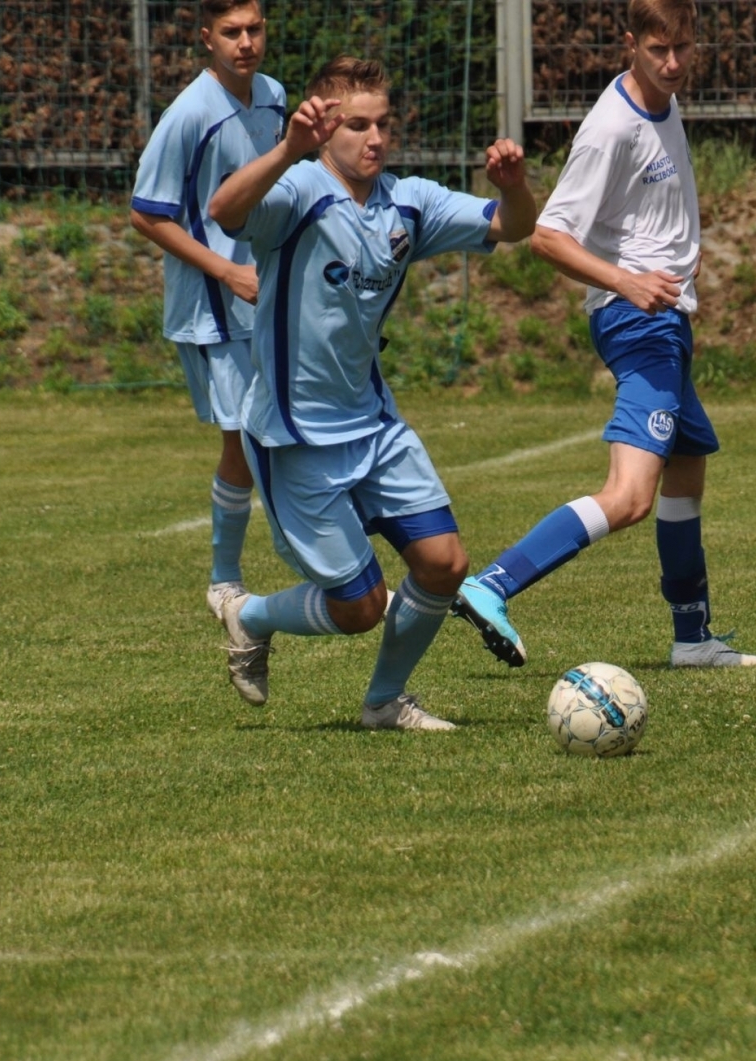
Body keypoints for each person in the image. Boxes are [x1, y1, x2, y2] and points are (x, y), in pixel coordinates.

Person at [205, 57, 537, 730]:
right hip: (294, 439)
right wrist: (286, 149)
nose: (374, 138)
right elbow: (223, 209)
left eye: (383, 123)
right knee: (358, 607)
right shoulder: (296, 191)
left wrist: (515, 186)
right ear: (324, 128)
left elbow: (513, 225)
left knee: (445, 564)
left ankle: (384, 701)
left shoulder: (406, 201)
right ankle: (250, 615)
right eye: (356, 125)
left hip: (374, 426)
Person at [451, 0, 756, 671]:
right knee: (629, 497)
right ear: (630, 44)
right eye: (658, 50)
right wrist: (627, 283)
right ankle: (491, 584)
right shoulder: (610, 128)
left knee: (685, 474)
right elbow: (546, 238)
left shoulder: (663, 101)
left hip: (665, 321)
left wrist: (680, 262)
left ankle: (691, 638)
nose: (673, 63)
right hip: (638, 323)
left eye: (683, 47)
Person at [130, 0, 283, 655]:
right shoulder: (190, 113)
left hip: (269, 296)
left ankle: (231, 579)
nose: (244, 43)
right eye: (230, 32)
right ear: (206, 38)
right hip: (216, 309)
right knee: (249, 440)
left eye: (253, 29)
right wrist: (226, 271)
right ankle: (227, 581)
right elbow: (147, 213)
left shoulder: (274, 98)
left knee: (261, 437)